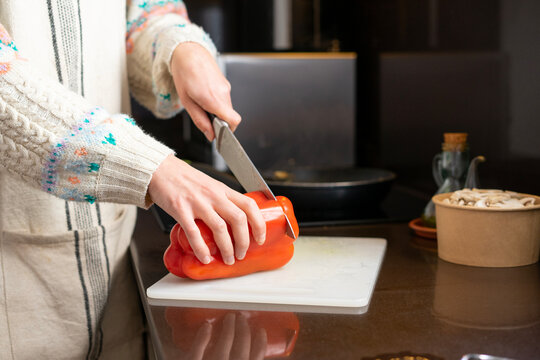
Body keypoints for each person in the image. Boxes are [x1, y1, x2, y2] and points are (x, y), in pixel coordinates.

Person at [0, 0, 265, 358]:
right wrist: (150, 166)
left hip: (114, 271)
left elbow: (143, 10)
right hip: (14, 293)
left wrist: (178, 46)